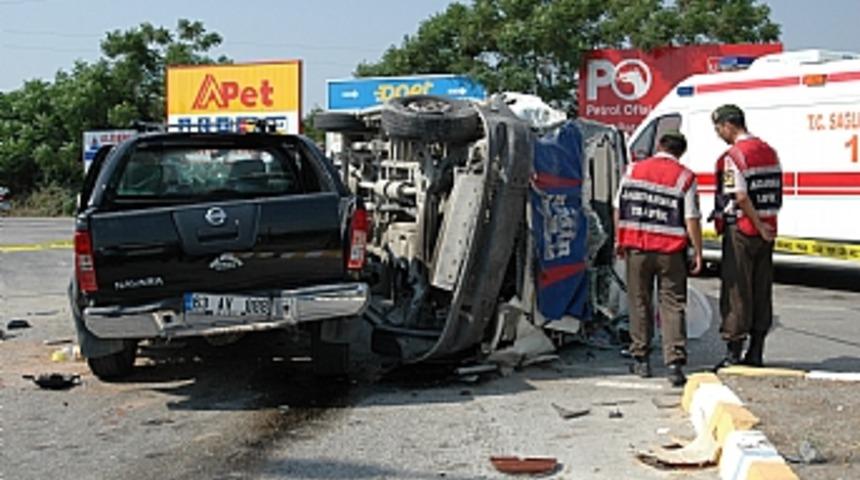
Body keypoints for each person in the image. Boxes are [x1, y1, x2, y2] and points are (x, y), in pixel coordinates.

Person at [614, 132, 703, 387]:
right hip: (670, 251)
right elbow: (691, 217)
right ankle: (674, 364)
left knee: (639, 301)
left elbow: (618, 207)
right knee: (673, 304)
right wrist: (698, 251)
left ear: (658, 146)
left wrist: (619, 238)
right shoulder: (685, 176)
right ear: (681, 152)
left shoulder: (633, 170)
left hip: (637, 247)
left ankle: (641, 359)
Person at [710, 105, 782, 369]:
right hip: (768, 228)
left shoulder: (734, 156)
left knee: (736, 289)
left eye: (719, 129)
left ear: (729, 125)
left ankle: (733, 352)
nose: (719, 134)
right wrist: (765, 225)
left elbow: (740, 196)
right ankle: (756, 350)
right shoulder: (770, 151)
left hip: (743, 228)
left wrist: (757, 224)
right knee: (761, 289)